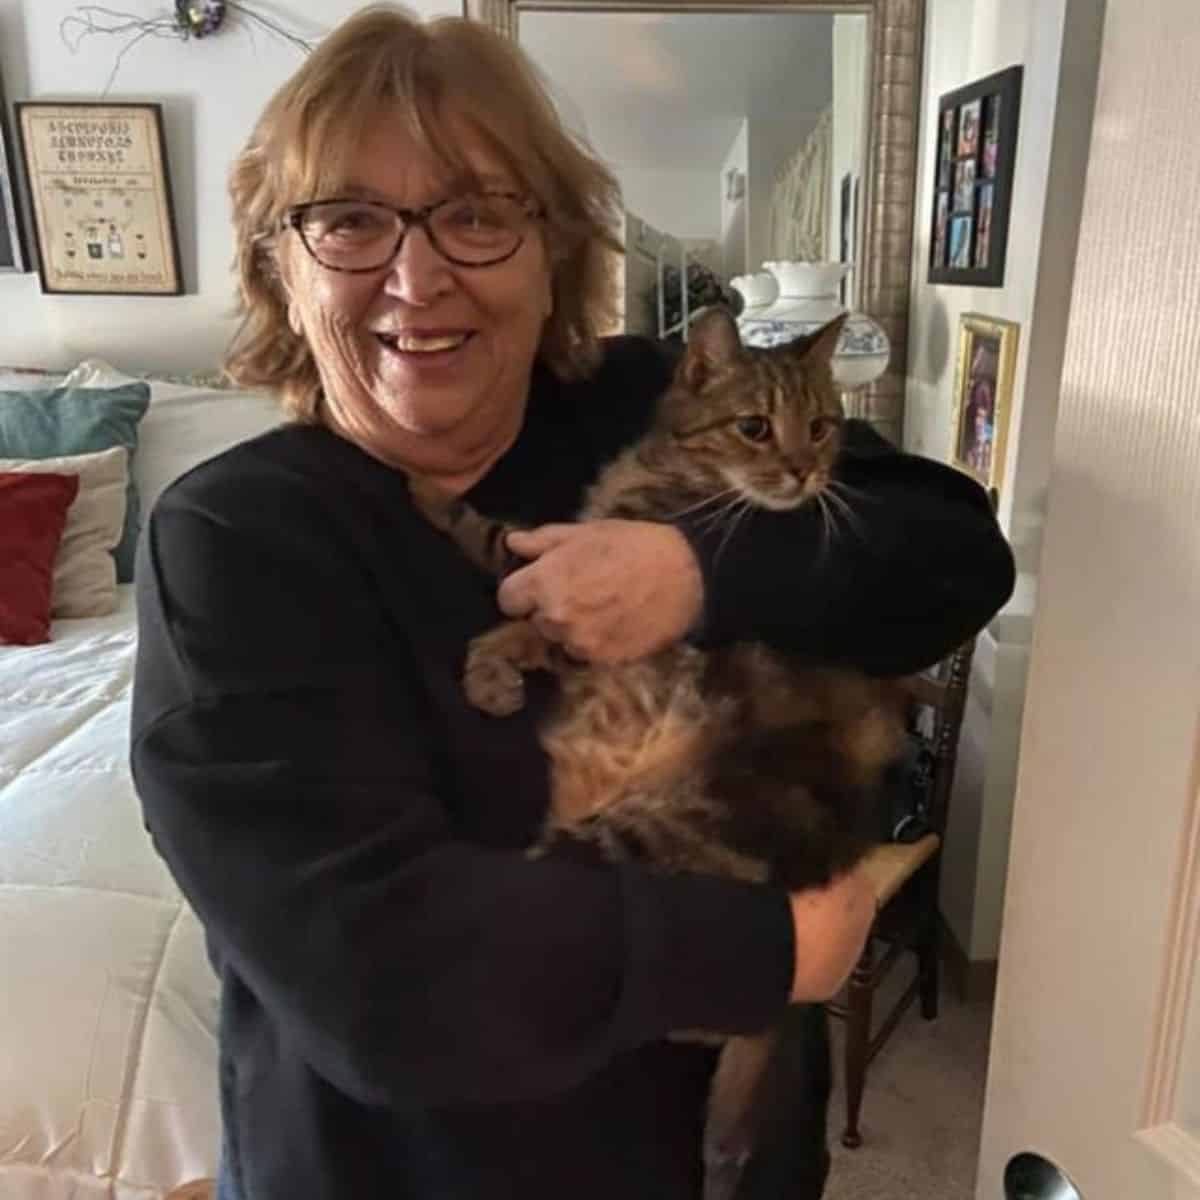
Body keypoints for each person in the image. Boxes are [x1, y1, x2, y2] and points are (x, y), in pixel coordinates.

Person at [130, 8, 1015, 1200]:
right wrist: (768, 950)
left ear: (552, 250)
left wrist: (696, 572)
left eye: (478, 214)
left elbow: (954, 552)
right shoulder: (233, 539)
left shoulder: (647, 402)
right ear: (278, 268)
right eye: (348, 220)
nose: (417, 273)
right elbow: (377, 973)